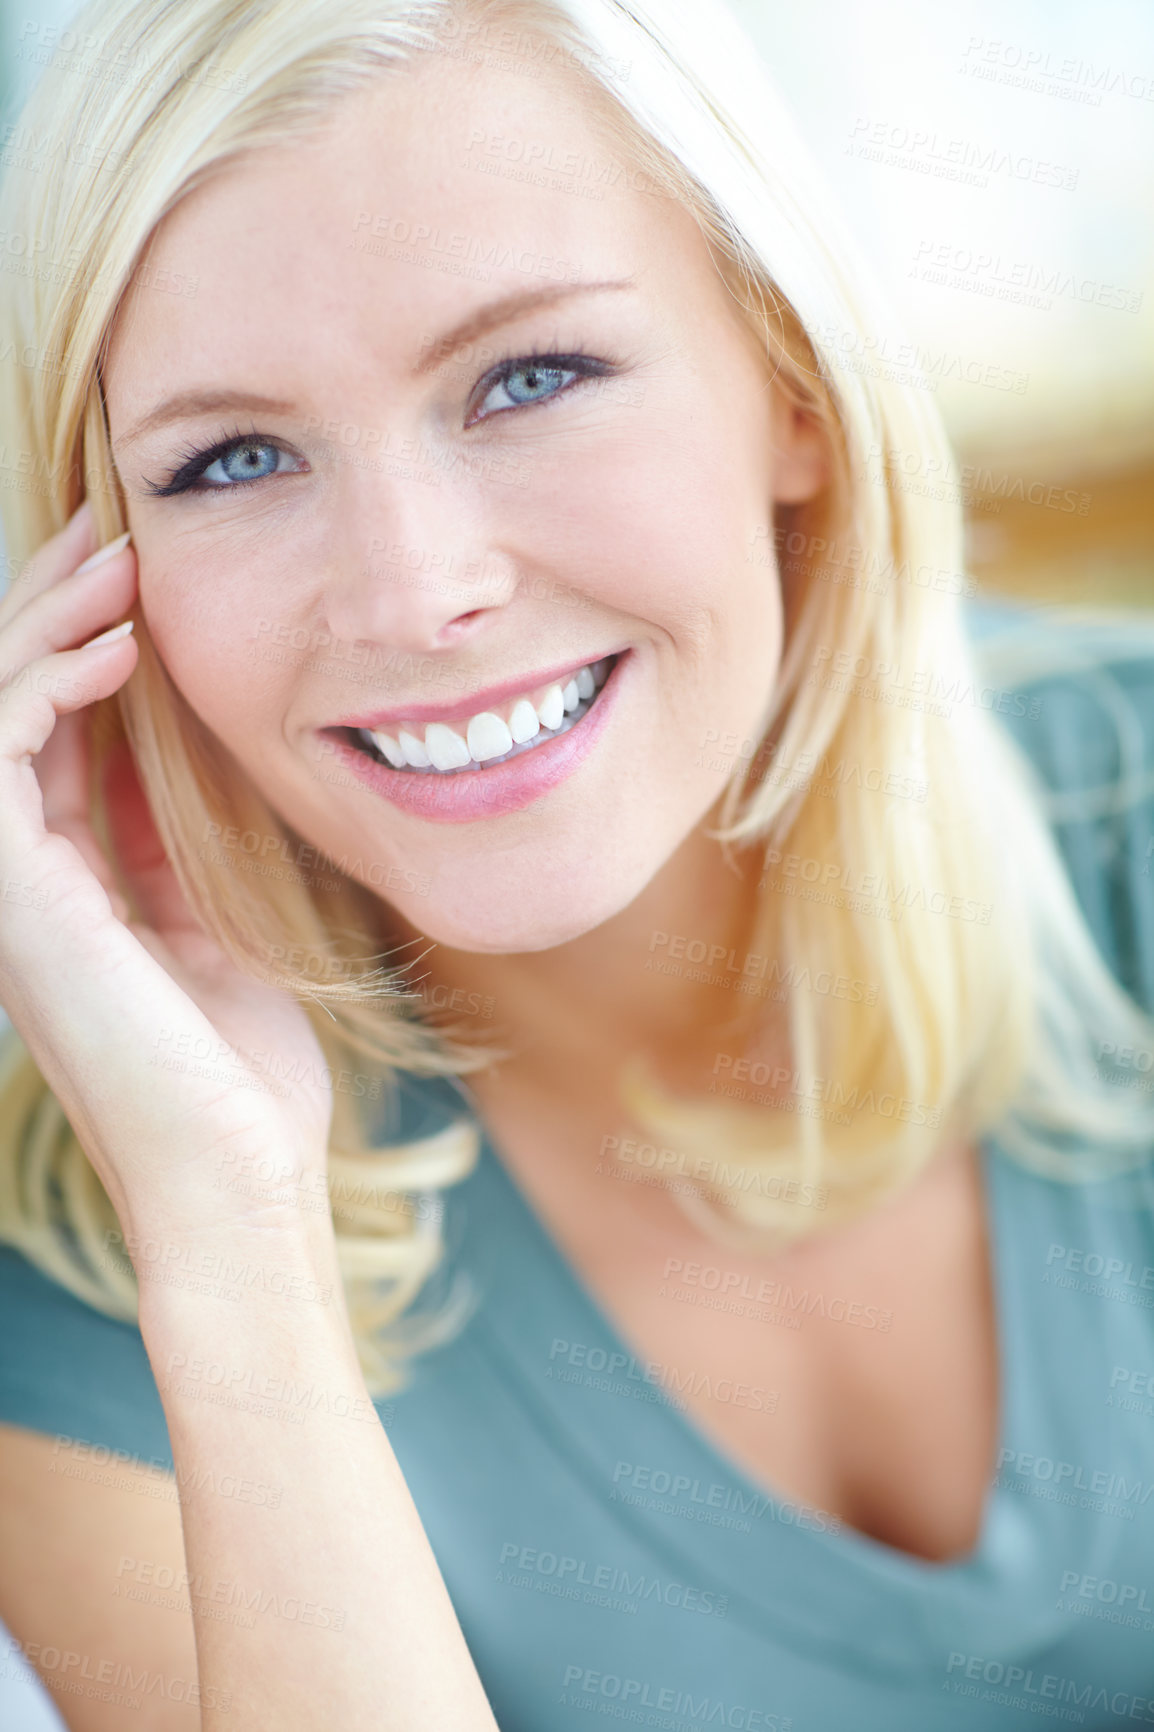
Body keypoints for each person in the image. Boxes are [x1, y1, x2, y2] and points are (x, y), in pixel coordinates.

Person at [0, 0, 1152, 1725]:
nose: (412, 591)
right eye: (233, 458)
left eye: (530, 377)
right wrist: (230, 1244)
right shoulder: (91, 1257)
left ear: (792, 389)